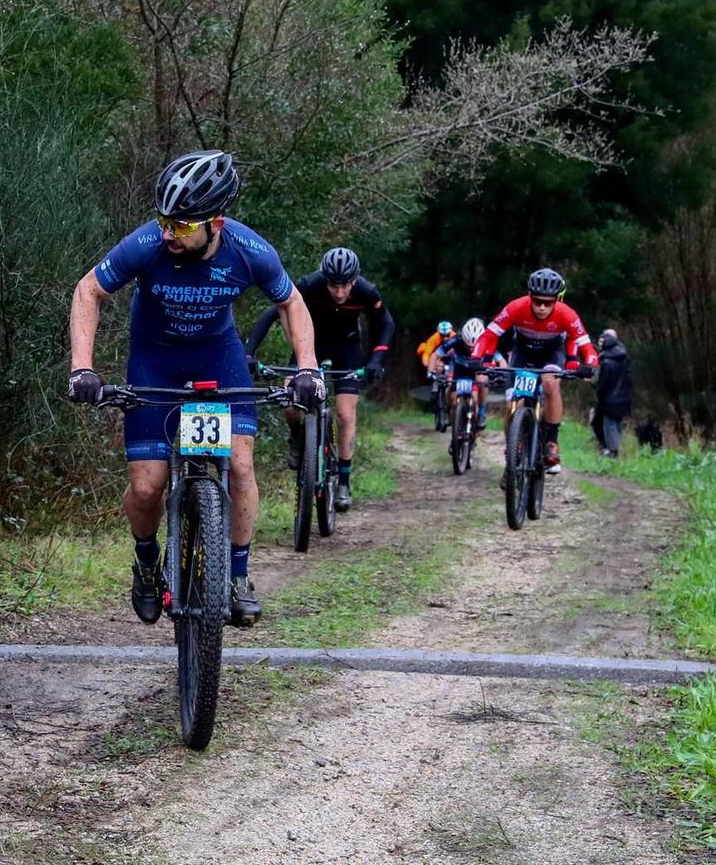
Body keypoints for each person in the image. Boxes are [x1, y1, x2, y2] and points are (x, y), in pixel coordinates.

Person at [67, 150, 316, 627]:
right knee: (147, 487)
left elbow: (292, 303)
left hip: (217, 358)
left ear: (216, 222)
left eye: (181, 226)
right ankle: (146, 564)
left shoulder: (251, 251)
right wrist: (83, 368)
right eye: (165, 220)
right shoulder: (147, 244)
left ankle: (238, 576)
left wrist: (307, 369)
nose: (168, 233)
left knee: (240, 465)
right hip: (154, 361)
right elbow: (88, 291)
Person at [245, 246, 395, 511]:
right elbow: (273, 312)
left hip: (346, 349)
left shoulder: (366, 291)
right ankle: (296, 436)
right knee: (289, 402)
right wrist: (249, 352)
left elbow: (386, 324)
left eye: (345, 286)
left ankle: (344, 482)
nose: (339, 293)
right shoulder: (310, 285)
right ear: (324, 279)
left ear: (354, 280)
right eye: (333, 286)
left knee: (346, 414)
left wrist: (376, 360)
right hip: (310, 346)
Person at [471, 268, 599, 473]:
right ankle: (512, 450)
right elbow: (488, 335)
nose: (541, 307)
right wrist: (476, 358)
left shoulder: (567, 314)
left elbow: (586, 346)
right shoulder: (516, 307)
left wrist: (589, 364)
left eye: (548, 303)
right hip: (523, 351)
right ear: (529, 296)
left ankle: (551, 442)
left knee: (550, 383)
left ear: (557, 299)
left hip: (551, 352)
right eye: (537, 301)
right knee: (515, 402)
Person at [593, 328, 632, 457]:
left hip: (609, 398)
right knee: (617, 424)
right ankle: (616, 449)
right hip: (624, 397)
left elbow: (602, 383)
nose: (600, 343)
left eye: (602, 340)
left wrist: (599, 393)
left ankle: (612, 451)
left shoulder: (606, 362)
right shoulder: (623, 357)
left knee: (608, 424)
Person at [418, 320, 455, 427]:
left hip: (450, 362)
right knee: (435, 387)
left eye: (447, 335)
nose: (445, 338)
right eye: (442, 335)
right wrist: (428, 368)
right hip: (436, 361)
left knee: (451, 386)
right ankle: (435, 404)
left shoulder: (455, 338)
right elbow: (427, 354)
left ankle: (449, 411)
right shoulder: (433, 339)